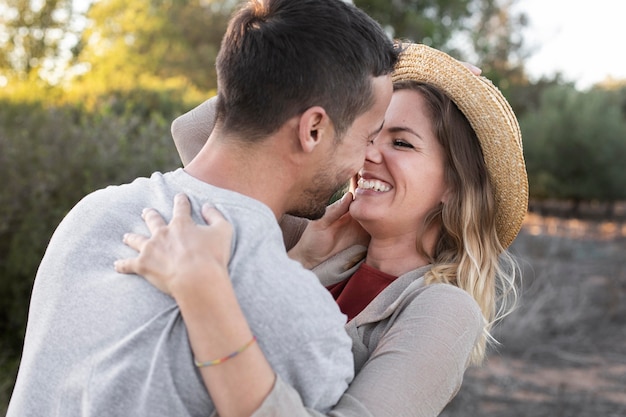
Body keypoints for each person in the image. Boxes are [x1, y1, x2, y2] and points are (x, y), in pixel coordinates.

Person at [6, 1, 399, 416]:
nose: (366, 159)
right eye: (368, 137)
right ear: (314, 129)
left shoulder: (93, 213)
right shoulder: (296, 312)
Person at [116, 43, 529, 417]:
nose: (369, 154)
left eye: (401, 143)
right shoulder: (313, 236)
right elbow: (200, 133)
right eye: (369, 133)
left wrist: (203, 296)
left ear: (453, 186)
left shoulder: (443, 309)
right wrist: (361, 55)